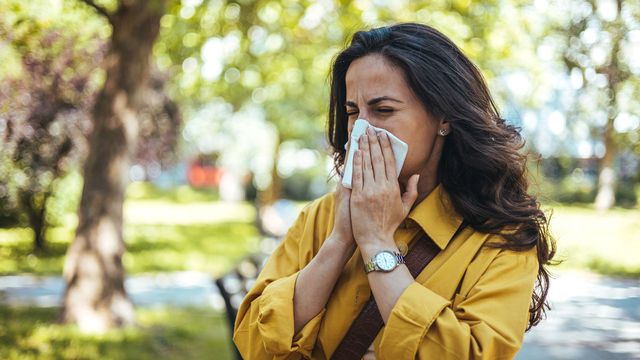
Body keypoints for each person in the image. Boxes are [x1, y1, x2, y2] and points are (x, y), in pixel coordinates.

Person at [233, 22, 555, 359]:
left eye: (384, 110)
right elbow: (254, 342)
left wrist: (376, 244)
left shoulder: (501, 237)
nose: (361, 129)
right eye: (352, 111)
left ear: (443, 117)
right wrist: (340, 240)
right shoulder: (322, 215)